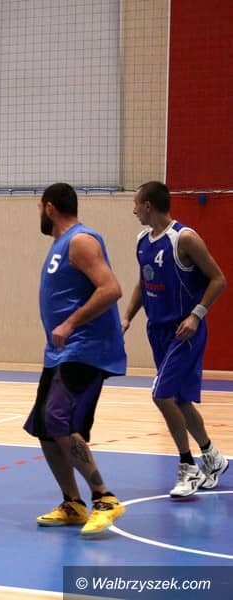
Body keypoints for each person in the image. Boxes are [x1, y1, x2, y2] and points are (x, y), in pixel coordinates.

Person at [25, 183, 127, 537]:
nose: (39, 214)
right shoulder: (59, 245)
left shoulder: (81, 240)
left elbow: (111, 288)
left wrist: (70, 323)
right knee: (44, 426)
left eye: (39, 208)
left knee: (59, 419)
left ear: (50, 208)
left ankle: (104, 498)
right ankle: (73, 503)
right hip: (59, 353)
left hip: (85, 349)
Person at [121, 181, 228, 497]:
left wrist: (196, 315)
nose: (134, 210)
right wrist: (127, 317)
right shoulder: (143, 241)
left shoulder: (184, 238)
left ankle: (188, 466)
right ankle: (212, 457)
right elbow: (144, 282)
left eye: (136, 204)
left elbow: (219, 279)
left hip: (185, 331)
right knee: (179, 400)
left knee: (161, 395)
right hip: (157, 331)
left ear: (149, 205)